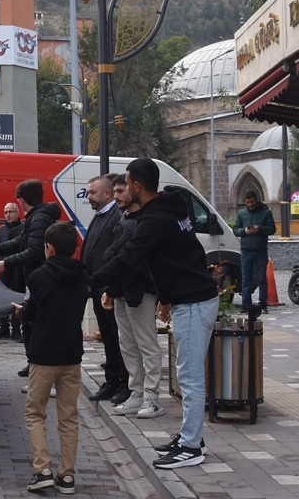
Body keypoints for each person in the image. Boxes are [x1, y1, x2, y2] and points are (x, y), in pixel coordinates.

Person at [89, 158, 219, 470]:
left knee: (189, 376)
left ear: (137, 185)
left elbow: (128, 258)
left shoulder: (156, 220)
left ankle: (191, 446)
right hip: (190, 298)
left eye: (127, 182)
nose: (124, 187)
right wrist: (166, 297)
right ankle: (190, 436)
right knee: (186, 374)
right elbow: (178, 257)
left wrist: (89, 282)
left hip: (194, 302)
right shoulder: (171, 208)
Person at [17, 221, 88, 495]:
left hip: (43, 355)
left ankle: (42, 469)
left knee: (35, 413)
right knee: (68, 416)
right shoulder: (82, 276)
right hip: (72, 354)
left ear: (49, 248)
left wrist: (21, 311)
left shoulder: (38, 277)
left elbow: (30, 312)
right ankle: (67, 475)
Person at [101, 174, 165, 420]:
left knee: (146, 344)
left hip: (141, 291)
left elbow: (135, 259)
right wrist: (110, 289)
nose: (116, 195)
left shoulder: (145, 222)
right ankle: (136, 392)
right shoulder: (124, 219)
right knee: (127, 345)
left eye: (121, 190)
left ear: (134, 189)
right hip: (121, 291)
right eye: (115, 191)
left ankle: (152, 397)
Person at [0, 180, 62, 380]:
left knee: (33, 323)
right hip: (34, 277)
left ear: (21, 200)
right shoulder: (36, 217)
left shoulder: (39, 218)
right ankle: (33, 362)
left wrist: (6, 262)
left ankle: (37, 364)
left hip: (38, 279)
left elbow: (34, 251)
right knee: (30, 323)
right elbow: (21, 240)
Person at [82, 175, 128, 405]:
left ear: (107, 194)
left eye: (93, 192)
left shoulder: (116, 217)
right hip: (97, 288)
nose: (89, 197)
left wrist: (108, 287)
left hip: (109, 289)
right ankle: (111, 381)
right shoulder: (100, 215)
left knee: (119, 339)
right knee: (108, 339)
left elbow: (115, 256)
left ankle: (124, 384)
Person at [234, 190, 275, 313]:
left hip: (260, 250)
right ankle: (246, 305)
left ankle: (263, 303)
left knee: (261, 278)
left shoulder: (266, 212)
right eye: (247, 202)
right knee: (246, 278)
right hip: (246, 250)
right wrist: (244, 231)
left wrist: (260, 229)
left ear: (256, 200)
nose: (250, 204)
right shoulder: (241, 214)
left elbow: (272, 229)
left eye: (252, 201)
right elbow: (235, 229)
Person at [0, 202, 23, 341]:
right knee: (2, 297)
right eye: (5, 212)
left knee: (17, 297)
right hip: (3, 268)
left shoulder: (23, 228)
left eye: (10, 212)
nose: (8, 215)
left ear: (17, 212)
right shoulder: (1, 230)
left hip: (18, 268)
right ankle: (3, 327)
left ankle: (16, 329)